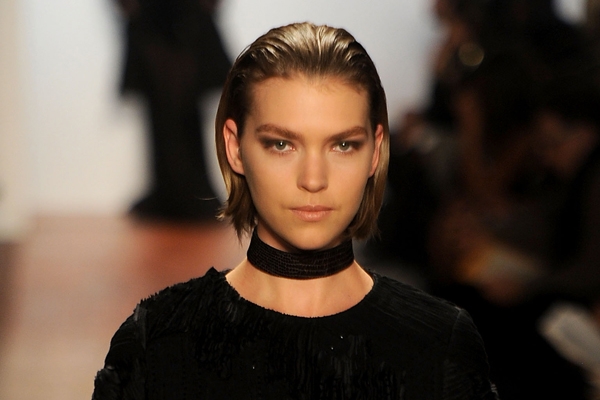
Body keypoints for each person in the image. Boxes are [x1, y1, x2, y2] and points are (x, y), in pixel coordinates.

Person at [92, 22, 498, 399]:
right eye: (282, 145)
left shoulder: (438, 342)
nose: (313, 179)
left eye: (343, 145)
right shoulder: (159, 340)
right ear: (235, 147)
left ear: (375, 152)